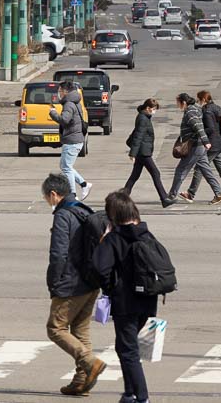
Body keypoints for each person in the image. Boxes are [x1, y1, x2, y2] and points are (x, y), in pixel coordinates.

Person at [41, 173, 106, 397]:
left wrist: (54, 282)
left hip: (70, 282)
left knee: (56, 328)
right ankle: (81, 381)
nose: (47, 202)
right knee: (80, 330)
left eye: (46, 198)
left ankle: (90, 362)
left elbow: (58, 254)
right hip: (91, 281)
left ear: (53, 194)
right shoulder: (84, 210)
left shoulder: (62, 215)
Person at [94, 191, 160, 403]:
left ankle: (142, 397)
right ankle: (129, 393)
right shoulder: (146, 234)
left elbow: (100, 268)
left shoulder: (114, 239)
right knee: (126, 347)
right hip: (149, 300)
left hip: (125, 303)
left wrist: (110, 289)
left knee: (128, 350)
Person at [167, 93, 221, 204]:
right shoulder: (196, 109)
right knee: (206, 170)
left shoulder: (190, 112)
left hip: (195, 146)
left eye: (178, 103)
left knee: (181, 170)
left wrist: (206, 142)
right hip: (200, 147)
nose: (177, 105)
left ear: (183, 102)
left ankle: (171, 195)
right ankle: (219, 194)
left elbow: (198, 127)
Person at [181, 91, 221, 202]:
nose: (197, 102)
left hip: (211, 145)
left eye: (198, 100)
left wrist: (200, 131)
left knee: (200, 167)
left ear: (203, 99)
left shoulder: (207, 111)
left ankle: (191, 193)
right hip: (218, 143)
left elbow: (211, 128)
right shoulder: (216, 108)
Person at [124, 99, 174, 208]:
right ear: (147, 108)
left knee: (134, 176)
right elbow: (138, 136)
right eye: (154, 109)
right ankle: (164, 198)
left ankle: (123, 197)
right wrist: (133, 153)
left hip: (143, 151)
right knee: (155, 173)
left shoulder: (145, 117)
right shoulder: (143, 119)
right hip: (143, 152)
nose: (154, 111)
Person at [49, 80, 92, 200]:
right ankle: (84, 184)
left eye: (60, 91)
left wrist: (53, 113)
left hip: (72, 140)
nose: (59, 94)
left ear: (65, 91)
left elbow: (64, 120)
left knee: (66, 167)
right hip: (73, 139)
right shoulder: (74, 101)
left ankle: (72, 194)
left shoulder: (69, 104)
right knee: (65, 166)